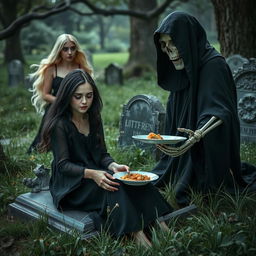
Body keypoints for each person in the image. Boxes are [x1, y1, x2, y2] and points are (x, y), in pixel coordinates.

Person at [39, 69, 172, 247]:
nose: (84, 101)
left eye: (89, 95)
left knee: (136, 181)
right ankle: (137, 235)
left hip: (95, 172)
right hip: (70, 183)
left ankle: (161, 225)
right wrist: (93, 174)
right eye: (78, 96)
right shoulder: (59, 124)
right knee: (116, 188)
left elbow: (101, 154)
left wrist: (114, 165)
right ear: (67, 95)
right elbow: (63, 165)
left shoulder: (93, 117)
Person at [151, 11, 256, 207]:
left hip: (209, 148)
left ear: (186, 39)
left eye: (173, 43)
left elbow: (220, 111)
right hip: (184, 148)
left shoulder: (214, 65)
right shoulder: (181, 68)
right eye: (164, 46)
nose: (170, 51)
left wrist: (197, 135)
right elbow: (176, 110)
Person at [27, 33, 93, 153]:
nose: (69, 52)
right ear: (59, 50)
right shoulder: (52, 69)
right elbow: (45, 95)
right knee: (43, 145)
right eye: (65, 49)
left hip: (77, 109)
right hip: (56, 109)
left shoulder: (81, 68)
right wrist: (62, 102)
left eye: (72, 48)